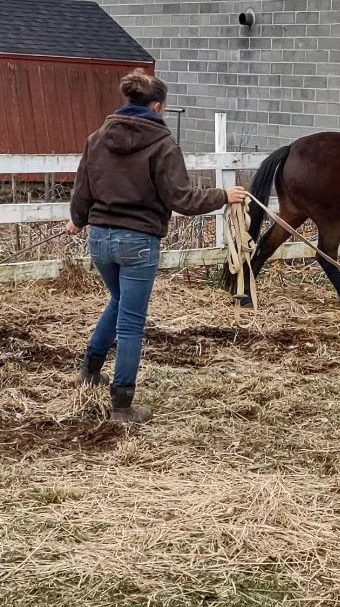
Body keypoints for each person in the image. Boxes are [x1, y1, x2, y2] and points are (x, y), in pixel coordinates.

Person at [67, 70, 247, 422]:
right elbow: (182, 198)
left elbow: (83, 187)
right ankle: (122, 405)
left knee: (118, 301)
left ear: (128, 100)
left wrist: (77, 218)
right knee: (131, 323)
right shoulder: (163, 144)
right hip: (137, 240)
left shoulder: (97, 138)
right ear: (158, 106)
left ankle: (89, 369)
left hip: (100, 238)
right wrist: (223, 195)